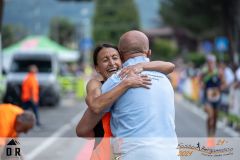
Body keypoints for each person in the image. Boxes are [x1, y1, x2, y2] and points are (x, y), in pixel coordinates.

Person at [77, 31, 178, 160]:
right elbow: (170, 66)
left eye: (115, 57)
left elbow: (83, 128)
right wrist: (126, 83)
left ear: (121, 56)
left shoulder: (116, 80)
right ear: (149, 53)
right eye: (105, 60)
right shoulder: (165, 79)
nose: (112, 63)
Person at [201, 55, 223, 139]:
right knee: (210, 116)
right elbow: (199, 81)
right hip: (208, 98)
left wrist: (220, 88)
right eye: (209, 62)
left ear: (214, 63)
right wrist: (202, 85)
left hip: (217, 97)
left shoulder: (219, 72)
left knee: (215, 117)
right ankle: (209, 135)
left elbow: (224, 83)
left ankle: (213, 134)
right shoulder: (204, 72)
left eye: (212, 62)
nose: (210, 64)